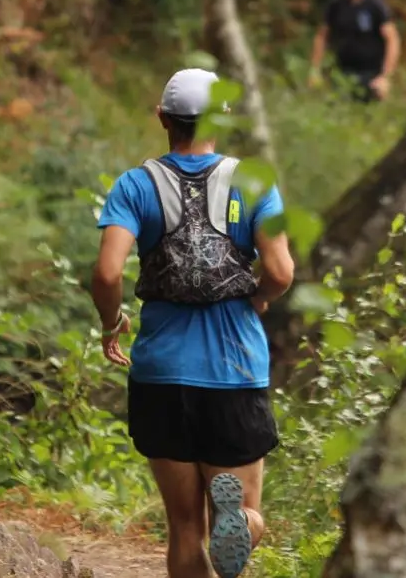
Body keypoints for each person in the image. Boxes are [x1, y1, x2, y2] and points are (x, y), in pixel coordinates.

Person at [90, 67, 295, 578]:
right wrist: (261, 299)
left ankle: (230, 524)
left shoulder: (135, 185)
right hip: (233, 370)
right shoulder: (254, 181)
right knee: (243, 514)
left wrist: (112, 322)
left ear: (162, 117)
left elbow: (107, 271)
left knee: (184, 528)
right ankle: (242, 523)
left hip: (161, 373)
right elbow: (280, 271)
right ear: (218, 120)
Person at [309, 0, 402, 102]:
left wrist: (385, 77)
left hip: (371, 73)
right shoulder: (336, 3)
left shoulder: (375, 5)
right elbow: (322, 36)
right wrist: (315, 69)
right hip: (341, 71)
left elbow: (392, 39)